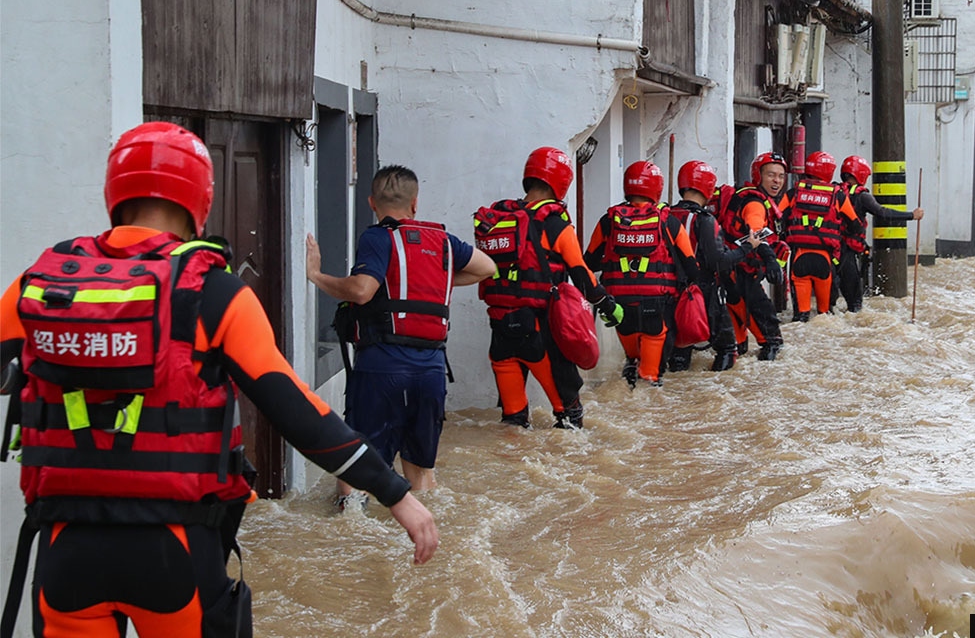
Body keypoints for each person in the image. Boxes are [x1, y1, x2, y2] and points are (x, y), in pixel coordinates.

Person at [0, 122, 438, 638]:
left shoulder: (44, 280)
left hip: (63, 550)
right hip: (175, 551)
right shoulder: (215, 292)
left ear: (112, 192)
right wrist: (396, 494)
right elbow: (297, 413)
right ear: (200, 198)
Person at [306, 165, 495, 506]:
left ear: (371, 203)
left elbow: (362, 291)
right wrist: (430, 284)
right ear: (415, 204)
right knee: (421, 472)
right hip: (432, 369)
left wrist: (318, 276)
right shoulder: (444, 241)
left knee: (357, 467)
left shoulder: (377, 237)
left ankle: (352, 543)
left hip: (382, 366)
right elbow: (487, 268)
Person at [474, 147, 622, 429]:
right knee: (569, 417)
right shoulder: (554, 223)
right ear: (562, 182)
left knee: (513, 422)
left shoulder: (499, 221)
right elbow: (581, 273)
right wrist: (606, 304)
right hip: (540, 334)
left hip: (500, 333)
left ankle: (513, 469)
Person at [584, 160, 698, 387]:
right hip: (656, 307)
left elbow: (589, 262)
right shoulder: (669, 222)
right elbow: (691, 267)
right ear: (656, 188)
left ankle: (628, 378)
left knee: (631, 365)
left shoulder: (609, 221)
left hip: (618, 307)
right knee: (650, 379)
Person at [667, 161, 761, 373]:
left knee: (680, 351)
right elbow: (719, 261)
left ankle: (679, 396)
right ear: (708, 187)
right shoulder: (705, 220)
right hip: (704, 294)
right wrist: (747, 247)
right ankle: (714, 392)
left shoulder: (665, 215)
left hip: (670, 293)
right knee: (727, 348)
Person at [719, 152, 787, 361]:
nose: (777, 181)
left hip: (730, 276)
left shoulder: (745, 196)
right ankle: (766, 389)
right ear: (758, 176)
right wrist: (770, 260)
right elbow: (756, 232)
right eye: (771, 175)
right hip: (741, 277)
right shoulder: (755, 204)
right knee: (772, 341)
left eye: (781, 176)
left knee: (735, 349)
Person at [836, 154, 925, 312]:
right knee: (855, 302)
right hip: (848, 251)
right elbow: (883, 213)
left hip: (831, 249)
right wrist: (911, 215)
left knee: (834, 296)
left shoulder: (835, 192)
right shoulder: (862, 196)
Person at [782, 150, 861, 320]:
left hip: (798, 258)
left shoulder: (793, 192)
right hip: (825, 260)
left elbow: (777, 216)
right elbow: (855, 225)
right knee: (823, 316)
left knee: (800, 318)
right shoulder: (838, 195)